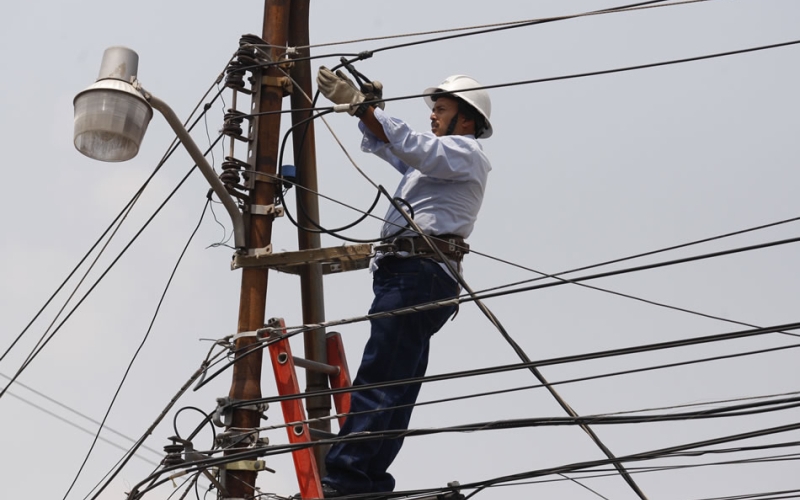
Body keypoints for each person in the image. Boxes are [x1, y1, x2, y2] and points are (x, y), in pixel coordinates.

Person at [315, 67, 493, 497]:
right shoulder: (436, 164)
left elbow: (413, 145)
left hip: (418, 274)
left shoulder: (464, 153)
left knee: (380, 378)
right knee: (395, 384)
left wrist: (365, 106)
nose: (433, 115)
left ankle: (346, 477)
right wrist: (368, 112)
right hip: (414, 275)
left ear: (465, 120)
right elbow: (392, 145)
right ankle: (368, 480)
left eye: (442, 109)